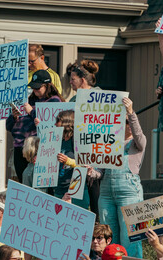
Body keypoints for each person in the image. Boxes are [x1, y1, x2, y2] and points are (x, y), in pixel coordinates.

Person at [98, 97, 146, 258]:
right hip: (105, 193)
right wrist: (91, 170)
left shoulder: (138, 143)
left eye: (130, 121)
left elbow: (138, 133)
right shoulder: (108, 142)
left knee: (131, 236)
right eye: (126, 122)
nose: (130, 125)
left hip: (129, 193)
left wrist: (131, 113)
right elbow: (100, 172)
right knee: (109, 235)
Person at [6, 69, 64, 183]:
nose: (35, 90)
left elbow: (49, 123)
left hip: (38, 148)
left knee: (36, 183)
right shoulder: (27, 100)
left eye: (38, 87)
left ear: (47, 86)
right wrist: (14, 117)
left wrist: (31, 111)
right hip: (20, 147)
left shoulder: (53, 100)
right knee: (24, 181)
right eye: (33, 87)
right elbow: (8, 127)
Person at [68, 59, 102, 220]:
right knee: (77, 199)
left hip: (97, 155)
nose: (70, 82)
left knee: (96, 199)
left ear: (82, 80)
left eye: (72, 79)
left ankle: (98, 232)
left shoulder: (100, 96)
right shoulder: (72, 101)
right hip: (77, 156)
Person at [55, 110, 90, 209]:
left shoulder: (77, 142)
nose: (55, 123)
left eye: (58, 120)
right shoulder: (58, 141)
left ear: (66, 122)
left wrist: (68, 161)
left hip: (76, 191)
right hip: (59, 189)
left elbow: (85, 165)